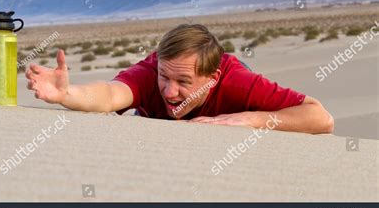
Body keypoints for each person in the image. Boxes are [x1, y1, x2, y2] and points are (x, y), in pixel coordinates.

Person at [26, 24, 333, 134]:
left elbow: (321, 118)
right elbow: (108, 95)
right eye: (164, 77)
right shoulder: (150, 72)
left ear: (212, 78)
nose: (169, 91)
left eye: (184, 82)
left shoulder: (236, 80)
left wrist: (251, 120)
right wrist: (67, 94)